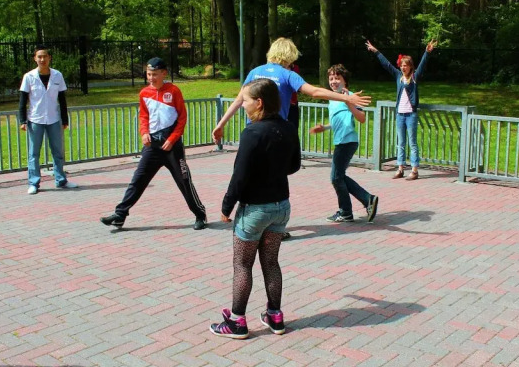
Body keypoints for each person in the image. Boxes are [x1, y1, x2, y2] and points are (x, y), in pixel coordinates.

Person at [210, 78, 300, 339]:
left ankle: (237, 321)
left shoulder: (252, 132)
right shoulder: (288, 127)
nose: (243, 105)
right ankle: (275, 316)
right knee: (271, 262)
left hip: (254, 210)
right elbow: (293, 166)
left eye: (245, 100)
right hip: (281, 206)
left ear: (259, 103)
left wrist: (226, 206)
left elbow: (240, 176)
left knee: (242, 264)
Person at [100, 57, 207, 230]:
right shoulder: (144, 93)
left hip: (172, 146)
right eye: (148, 74)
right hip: (152, 146)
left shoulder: (173, 91)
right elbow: (143, 116)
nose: (151, 78)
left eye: (155, 74)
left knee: (184, 181)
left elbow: (182, 118)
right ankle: (120, 214)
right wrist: (144, 133)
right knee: (138, 180)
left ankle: (200, 214)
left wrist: (172, 139)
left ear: (164, 73)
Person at [212, 37, 372, 144]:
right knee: (274, 179)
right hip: (274, 132)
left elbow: (239, 100)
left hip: (251, 132)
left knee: (252, 176)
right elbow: (315, 92)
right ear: (289, 56)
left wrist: (220, 124)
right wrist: (347, 98)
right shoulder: (288, 74)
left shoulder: (255, 72)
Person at [309, 64, 379, 223]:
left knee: (335, 177)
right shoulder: (333, 99)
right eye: (331, 78)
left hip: (348, 141)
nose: (333, 81)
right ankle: (356, 206)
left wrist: (349, 102)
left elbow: (361, 118)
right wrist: (325, 128)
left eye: (337, 78)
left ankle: (356, 205)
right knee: (338, 176)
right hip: (341, 141)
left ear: (344, 80)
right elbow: (340, 120)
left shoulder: (351, 95)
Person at [365, 39, 437, 180]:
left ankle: (414, 170)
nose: (403, 67)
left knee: (412, 142)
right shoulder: (398, 76)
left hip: (411, 115)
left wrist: (427, 52)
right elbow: (386, 64)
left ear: (411, 67)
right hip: (400, 114)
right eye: (402, 65)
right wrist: (375, 51)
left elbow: (422, 65)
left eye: (406, 65)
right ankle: (400, 168)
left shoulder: (414, 78)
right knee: (401, 143)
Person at [19, 44, 78, 194]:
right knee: (34, 153)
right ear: (35, 59)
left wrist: (65, 120)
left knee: (58, 151)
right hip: (35, 120)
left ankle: (61, 180)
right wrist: (22, 120)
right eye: (39, 56)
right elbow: (22, 100)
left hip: (53, 119)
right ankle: (33, 183)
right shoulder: (29, 77)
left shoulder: (57, 75)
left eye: (45, 56)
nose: (42, 59)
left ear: (49, 58)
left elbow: (62, 99)